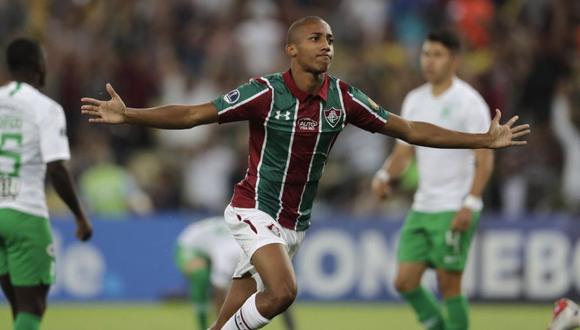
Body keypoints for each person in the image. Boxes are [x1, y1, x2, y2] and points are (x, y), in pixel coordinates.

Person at [81, 16, 529, 330]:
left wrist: (483, 140)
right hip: (253, 209)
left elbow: (409, 129)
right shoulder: (265, 92)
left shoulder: (344, 99)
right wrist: (131, 115)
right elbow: (195, 113)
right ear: (292, 49)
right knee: (282, 293)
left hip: (295, 226)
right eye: (316, 39)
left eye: (330, 39)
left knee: (231, 315)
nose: (327, 46)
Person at [371, 30, 493, 330]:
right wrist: (385, 174)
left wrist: (471, 202)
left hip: (455, 205)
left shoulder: (469, 102)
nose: (429, 61)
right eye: (426, 54)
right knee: (404, 281)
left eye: (437, 55)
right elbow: (404, 152)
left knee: (448, 284)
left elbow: (485, 157)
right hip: (423, 206)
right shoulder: (414, 99)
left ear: (454, 60)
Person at [0, 38, 93, 330]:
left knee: (18, 307)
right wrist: (79, 215)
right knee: (33, 306)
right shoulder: (46, 108)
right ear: (39, 66)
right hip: (24, 213)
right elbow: (56, 169)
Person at [175, 216, 296, 330]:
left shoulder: (253, 246)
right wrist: (224, 323)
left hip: (221, 238)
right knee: (201, 276)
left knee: (278, 284)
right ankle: (203, 326)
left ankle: (291, 328)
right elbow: (218, 288)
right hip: (189, 245)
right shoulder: (226, 255)